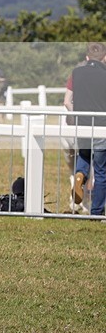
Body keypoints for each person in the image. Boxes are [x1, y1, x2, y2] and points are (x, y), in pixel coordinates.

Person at [67, 42, 106, 217]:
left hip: (81, 125)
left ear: (87, 57)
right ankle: (97, 211)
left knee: (83, 155)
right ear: (104, 58)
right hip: (101, 127)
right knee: (101, 171)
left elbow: (67, 102)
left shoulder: (76, 72)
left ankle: (80, 176)